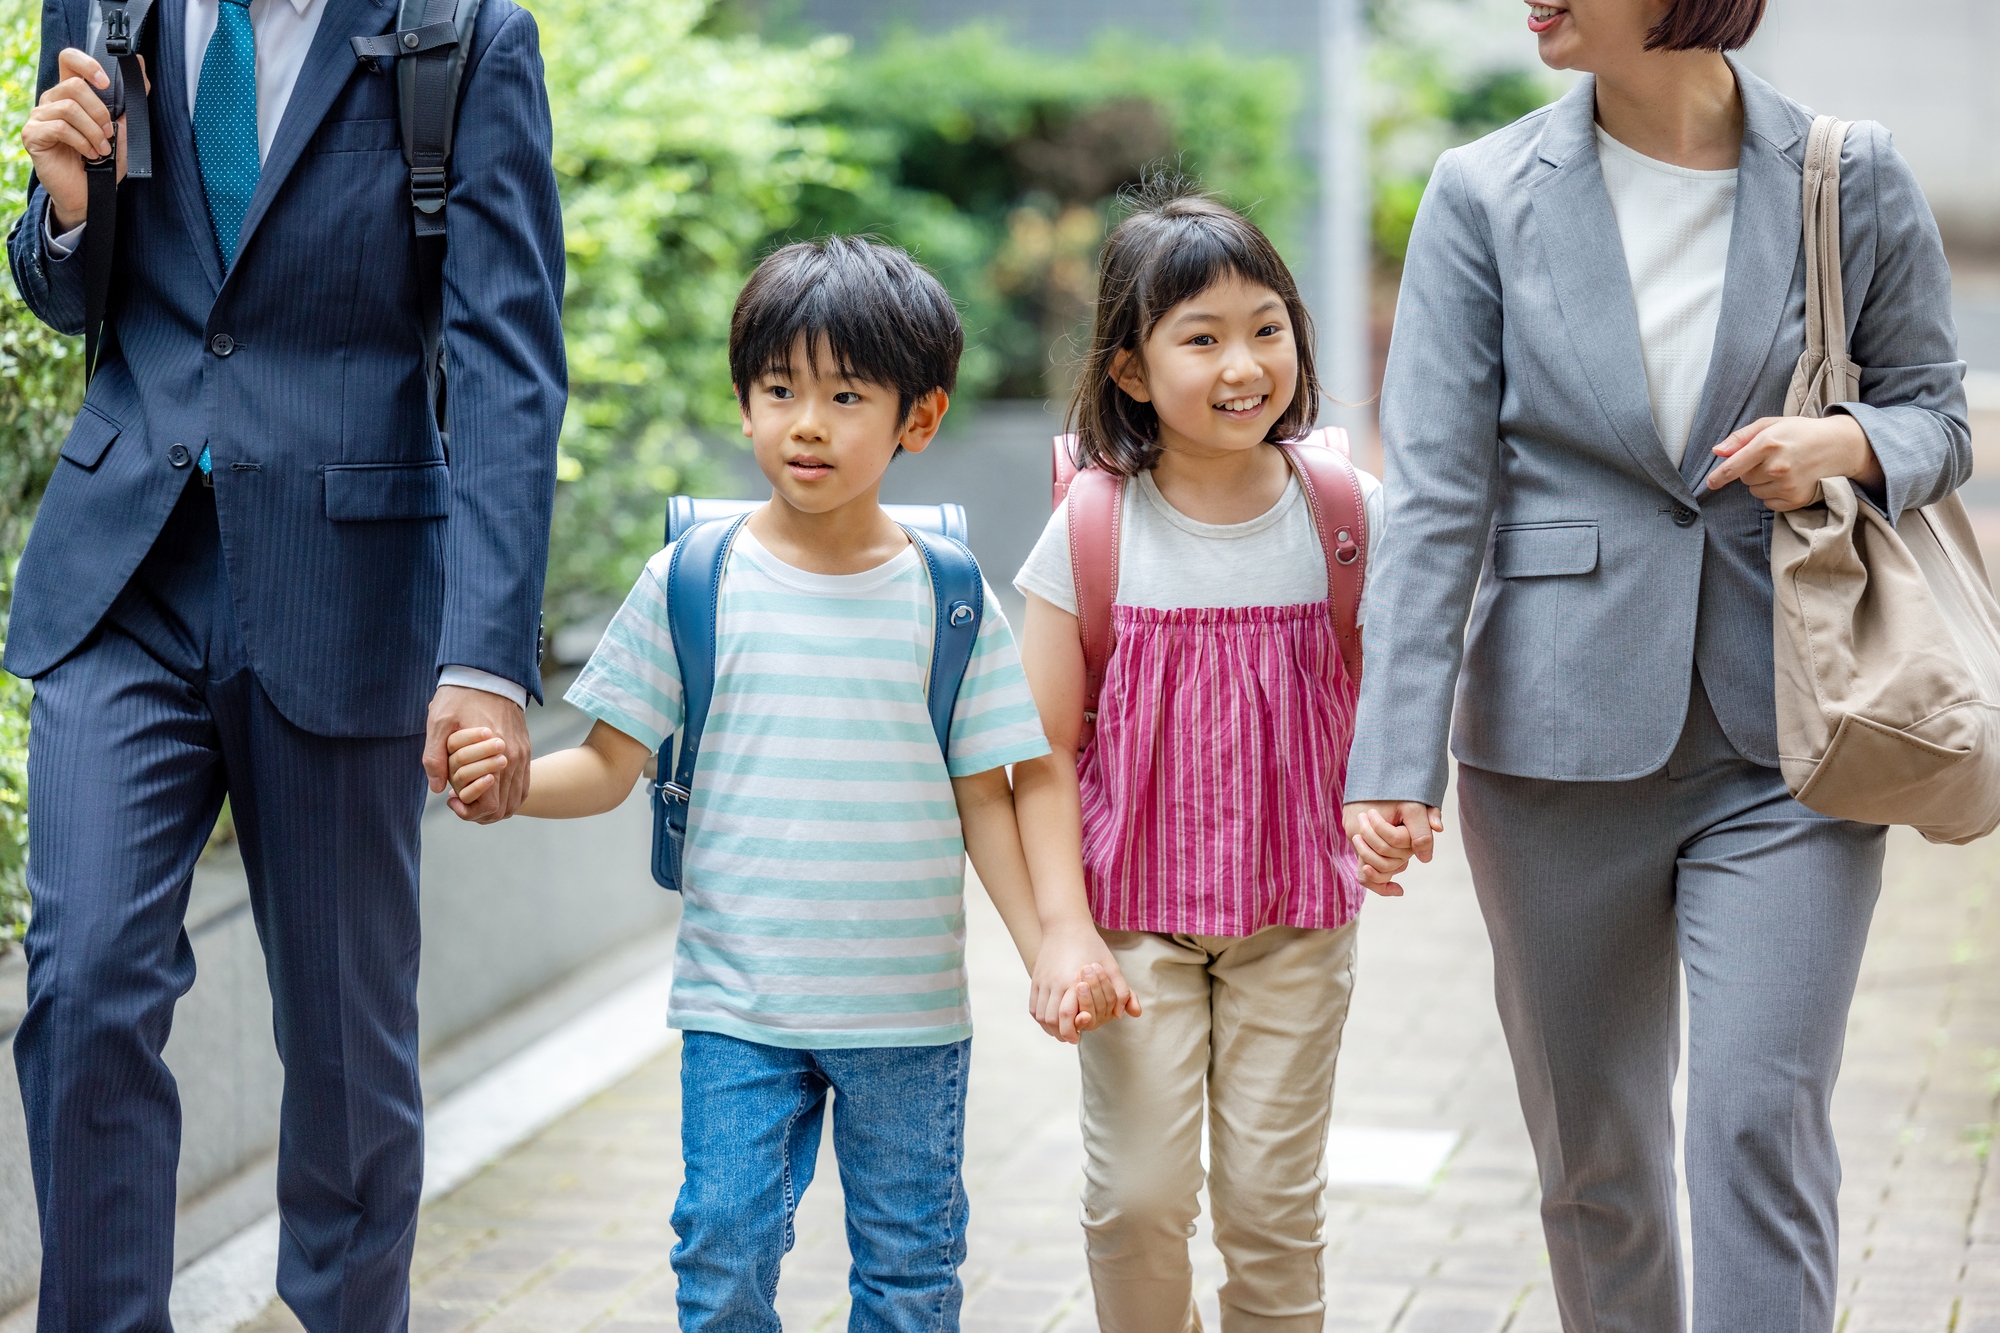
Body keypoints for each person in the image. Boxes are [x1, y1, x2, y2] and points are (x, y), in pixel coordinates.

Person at [1343, 0, 1970, 1328]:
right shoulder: (1483, 194)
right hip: (1551, 737)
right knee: (1597, 1161)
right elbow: (1440, 497)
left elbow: (1935, 412)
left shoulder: (1844, 173)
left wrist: (1842, 446)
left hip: (1791, 732)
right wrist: (1390, 760)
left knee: (1759, 1123)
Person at [444, 236, 1130, 1331]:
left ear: (919, 418)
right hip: (738, 1007)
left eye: (846, 394)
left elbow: (996, 791)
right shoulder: (694, 580)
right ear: (744, 401)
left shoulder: (947, 595)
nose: (805, 422)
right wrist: (514, 785)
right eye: (778, 390)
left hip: (906, 1014)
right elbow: (607, 765)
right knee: (720, 1253)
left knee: (909, 1275)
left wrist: (1053, 936)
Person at [5, 0, 564, 1324]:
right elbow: (65, 289)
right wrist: (63, 205)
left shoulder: (460, 36)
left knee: (344, 1048)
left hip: (349, 587)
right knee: (82, 982)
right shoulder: (98, 1)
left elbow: (506, 358)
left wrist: (484, 656)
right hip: (125, 576)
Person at [1012, 182, 1384, 1333]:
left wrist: (1392, 792)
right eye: (1201, 336)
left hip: (1293, 919)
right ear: (1129, 370)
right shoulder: (1091, 528)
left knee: (1272, 1209)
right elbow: (1039, 758)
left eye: (1265, 327)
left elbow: (1401, 687)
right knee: (1135, 1199)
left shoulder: (1347, 513)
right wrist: (1061, 929)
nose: (1243, 363)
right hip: (1132, 927)